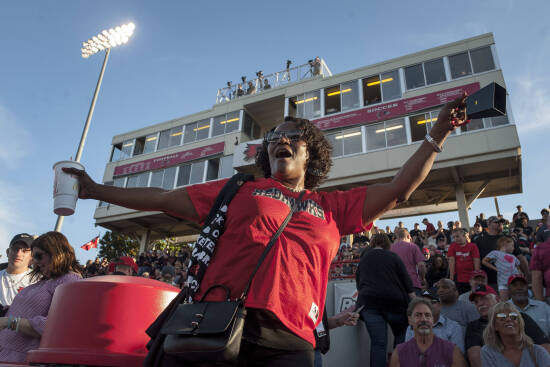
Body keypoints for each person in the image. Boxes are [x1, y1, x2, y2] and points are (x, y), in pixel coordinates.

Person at [64, 95, 469, 366]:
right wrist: (96, 190)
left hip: (291, 340)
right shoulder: (242, 189)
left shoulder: (333, 207)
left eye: (293, 136)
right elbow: (164, 199)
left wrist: (438, 133)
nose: (282, 140)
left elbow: (399, 188)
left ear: (310, 152)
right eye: (274, 136)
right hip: (215, 326)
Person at [0, 232, 82, 362]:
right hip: (5, 354)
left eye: (39, 256)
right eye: (34, 257)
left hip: (21, 359)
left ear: (56, 252)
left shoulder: (70, 279)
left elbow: (56, 325)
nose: (36, 262)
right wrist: (5, 311)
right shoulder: (44, 281)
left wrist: (8, 322)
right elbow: (26, 311)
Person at [356, 233, 415, 367]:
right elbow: (407, 281)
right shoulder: (393, 256)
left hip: (370, 305)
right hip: (396, 304)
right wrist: (415, 300)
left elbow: (359, 284)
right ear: (388, 244)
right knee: (400, 338)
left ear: (372, 244)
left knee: (378, 344)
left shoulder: (364, 259)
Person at [465, 284, 550, 367]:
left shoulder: (522, 317)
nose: (480, 303)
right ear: (494, 326)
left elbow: (545, 346)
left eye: (484, 298)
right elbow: (475, 358)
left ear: (497, 299)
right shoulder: (473, 327)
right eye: (476, 302)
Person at [390, 298, 466, 367]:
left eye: (427, 315)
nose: (424, 319)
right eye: (418, 315)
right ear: (410, 320)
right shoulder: (399, 353)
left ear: (432, 320)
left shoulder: (451, 351)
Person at [481, 302, 550, 366]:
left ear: (519, 323)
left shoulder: (538, 351)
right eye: (502, 317)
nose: (508, 319)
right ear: (494, 326)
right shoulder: (488, 352)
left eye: (513, 316)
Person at [0, 234, 37, 310]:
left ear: (32, 257)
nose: (18, 254)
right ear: (7, 252)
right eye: (15, 249)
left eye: (25, 251)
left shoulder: (38, 281)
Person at [482, 236, 521, 300]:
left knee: (515, 300)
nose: (513, 248)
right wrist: (495, 269)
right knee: (504, 301)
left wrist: (520, 273)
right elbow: (484, 261)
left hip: (515, 281)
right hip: (503, 282)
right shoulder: (495, 253)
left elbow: (518, 266)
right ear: (505, 244)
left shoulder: (513, 256)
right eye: (512, 245)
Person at [391, 228, 426, 292]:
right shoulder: (413, 246)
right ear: (409, 236)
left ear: (397, 237)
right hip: (413, 283)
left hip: (396, 285)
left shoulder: (390, 248)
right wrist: (422, 278)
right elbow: (421, 265)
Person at [448, 228, 480, 294]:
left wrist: (477, 275)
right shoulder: (452, 246)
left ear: (464, 236)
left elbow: (476, 260)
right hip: (459, 278)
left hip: (471, 277)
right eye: (454, 237)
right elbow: (451, 261)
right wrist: (451, 277)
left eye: (457, 236)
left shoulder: (472, 246)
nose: (455, 239)